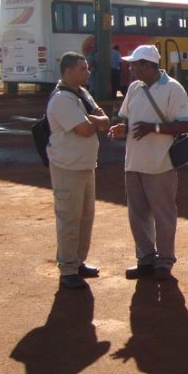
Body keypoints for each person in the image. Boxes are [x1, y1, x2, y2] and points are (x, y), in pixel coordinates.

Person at [108, 45, 188, 281]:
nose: (131, 68)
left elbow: (186, 125)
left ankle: (165, 261)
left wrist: (153, 128)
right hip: (133, 162)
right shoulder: (135, 88)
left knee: (163, 214)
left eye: (134, 64)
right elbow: (125, 118)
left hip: (160, 164)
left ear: (146, 65)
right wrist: (121, 128)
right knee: (137, 215)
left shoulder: (173, 89)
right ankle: (145, 258)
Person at [46, 52, 110, 289]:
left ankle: (78, 261)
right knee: (69, 219)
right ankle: (68, 268)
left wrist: (95, 121)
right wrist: (95, 121)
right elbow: (85, 128)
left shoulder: (82, 93)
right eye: (83, 69)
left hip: (84, 165)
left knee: (85, 217)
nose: (87, 72)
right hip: (67, 166)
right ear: (68, 71)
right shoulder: (62, 99)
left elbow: (101, 119)